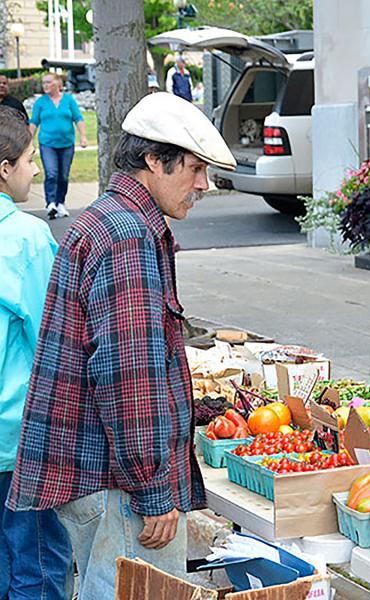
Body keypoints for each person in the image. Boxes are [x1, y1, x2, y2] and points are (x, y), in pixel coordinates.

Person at [7, 93, 236, 598]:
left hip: (101, 478)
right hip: (116, 486)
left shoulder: (108, 220)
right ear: (154, 160)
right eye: (195, 168)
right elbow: (129, 380)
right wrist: (154, 490)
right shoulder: (128, 234)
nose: (204, 184)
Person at [0, 106, 73, 599]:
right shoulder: (25, 237)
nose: (38, 169)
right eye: (29, 159)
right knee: (39, 571)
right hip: (19, 438)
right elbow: (55, 343)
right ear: (4, 169)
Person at [29, 72, 87, 219]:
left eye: (49, 82)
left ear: (58, 84)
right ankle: (50, 204)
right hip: (47, 144)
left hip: (67, 144)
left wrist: (83, 137)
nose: (45, 85)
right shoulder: (41, 102)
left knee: (63, 176)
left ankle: (60, 203)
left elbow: (78, 119)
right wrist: (29, 142)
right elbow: (34, 122)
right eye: (44, 83)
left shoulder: (68, 100)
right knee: (52, 174)